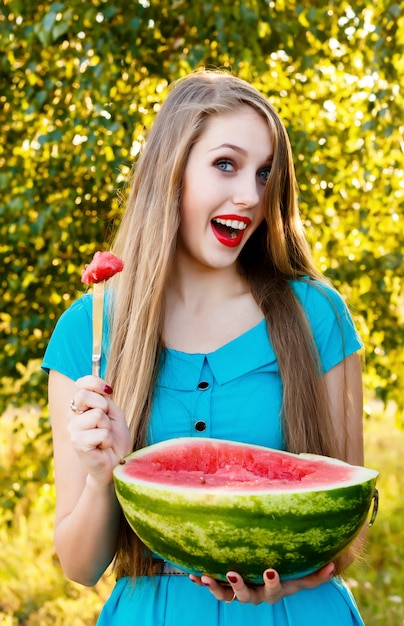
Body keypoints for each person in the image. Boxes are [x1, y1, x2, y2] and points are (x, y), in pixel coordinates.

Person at [42, 69, 367, 625]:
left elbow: (350, 523)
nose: (250, 195)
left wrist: (296, 578)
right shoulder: (89, 329)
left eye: (266, 173)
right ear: (172, 173)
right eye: (226, 165)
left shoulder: (318, 315)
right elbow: (79, 564)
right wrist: (102, 476)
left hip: (296, 612)